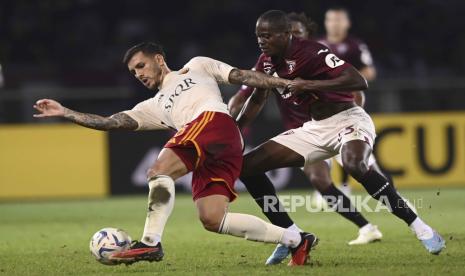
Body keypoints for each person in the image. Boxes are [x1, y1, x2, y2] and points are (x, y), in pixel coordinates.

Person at [33, 42, 318, 266]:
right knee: (212, 218)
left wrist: (285, 83)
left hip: (213, 122)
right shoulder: (152, 106)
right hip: (217, 145)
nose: (139, 74)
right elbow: (110, 122)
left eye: (141, 65)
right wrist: (66, 112)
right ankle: (295, 239)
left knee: (158, 171)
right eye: (134, 72)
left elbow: (241, 76)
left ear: (159, 59)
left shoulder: (197, 66)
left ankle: (150, 242)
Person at [236, 10, 445, 265]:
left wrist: (309, 85)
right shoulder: (266, 61)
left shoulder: (311, 51)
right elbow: (257, 99)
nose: (261, 40)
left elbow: (358, 80)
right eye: (259, 35)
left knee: (355, 165)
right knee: (247, 168)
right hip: (315, 127)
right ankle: (289, 235)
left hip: (349, 119)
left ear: (285, 34)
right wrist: (236, 132)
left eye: (267, 35)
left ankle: (421, 228)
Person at [228, 11, 382, 251]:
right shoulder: (269, 62)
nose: (295, 36)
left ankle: (410, 216)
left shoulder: (314, 58)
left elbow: (357, 88)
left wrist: (352, 116)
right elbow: (245, 95)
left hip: (339, 125)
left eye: (299, 33)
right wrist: (230, 122)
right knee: (320, 180)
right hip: (305, 133)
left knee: (365, 170)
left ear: (301, 37)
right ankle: (365, 227)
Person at [315, 6, 377, 199]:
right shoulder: (317, 46)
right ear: (326, 23)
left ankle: (345, 185)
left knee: (352, 146)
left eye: (339, 20)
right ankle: (325, 186)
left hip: (350, 106)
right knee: (322, 146)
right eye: (331, 20)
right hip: (323, 106)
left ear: (347, 23)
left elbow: (370, 72)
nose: (335, 24)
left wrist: (344, 80)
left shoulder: (354, 45)